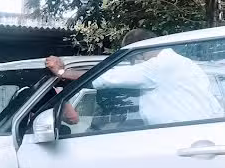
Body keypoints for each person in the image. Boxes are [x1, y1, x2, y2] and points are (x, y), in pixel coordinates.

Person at [46, 29, 223, 126]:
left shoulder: (158, 66)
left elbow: (104, 77)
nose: (132, 64)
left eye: (131, 59)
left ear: (140, 51)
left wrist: (63, 72)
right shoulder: (184, 63)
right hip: (193, 132)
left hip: (180, 139)